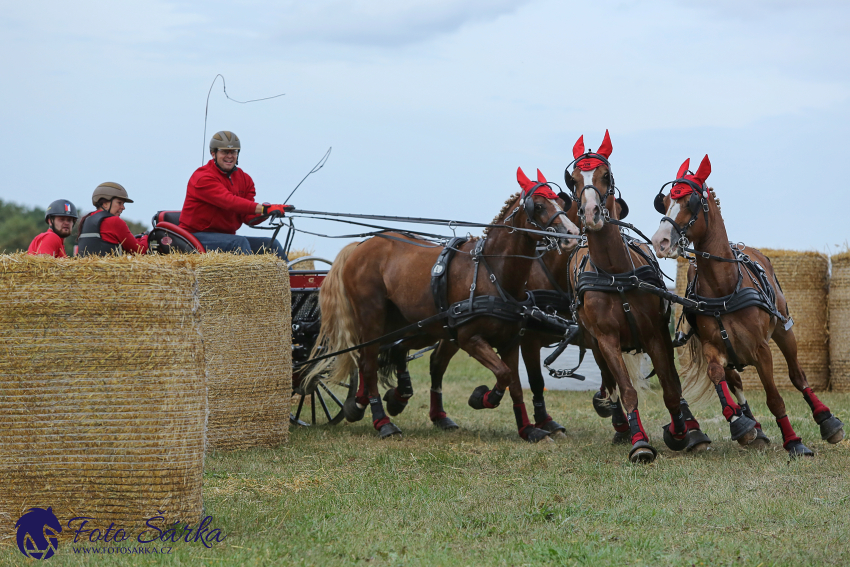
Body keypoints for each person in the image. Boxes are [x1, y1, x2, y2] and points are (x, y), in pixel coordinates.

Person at [179, 131, 291, 258]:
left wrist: (267, 212)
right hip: (195, 237)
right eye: (224, 152)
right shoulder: (202, 178)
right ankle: (252, 277)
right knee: (238, 243)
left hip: (226, 238)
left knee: (272, 245)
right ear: (213, 154)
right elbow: (229, 202)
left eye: (233, 152)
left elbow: (248, 218)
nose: (230, 156)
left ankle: (296, 277)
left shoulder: (245, 179)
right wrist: (265, 207)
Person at [76, 182, 149, 256]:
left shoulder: (86, 220)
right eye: (119, 203)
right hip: (108, 267)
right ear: (105, 204)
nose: (123, 207)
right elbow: (139, 251)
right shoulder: (114, 221)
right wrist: (145, 237)